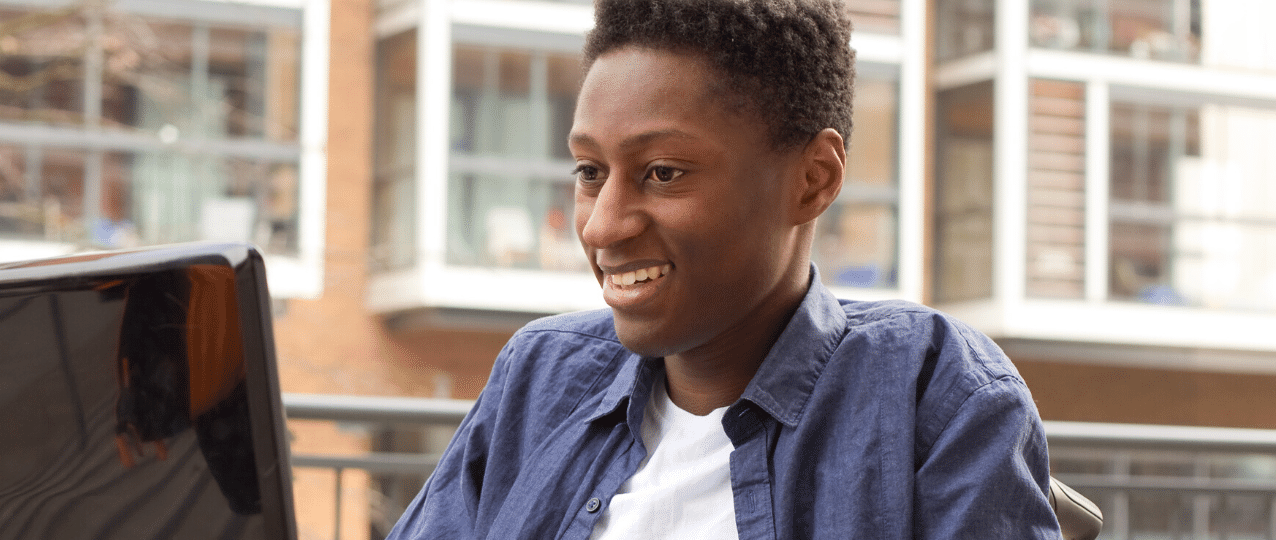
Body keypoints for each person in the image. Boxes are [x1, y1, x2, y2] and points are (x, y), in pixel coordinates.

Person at [384, 0, 1063, 538]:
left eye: (663, 173)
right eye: (590, 172)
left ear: (813, 179)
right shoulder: (541, 378)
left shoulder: (933, 394)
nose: (602, 225)